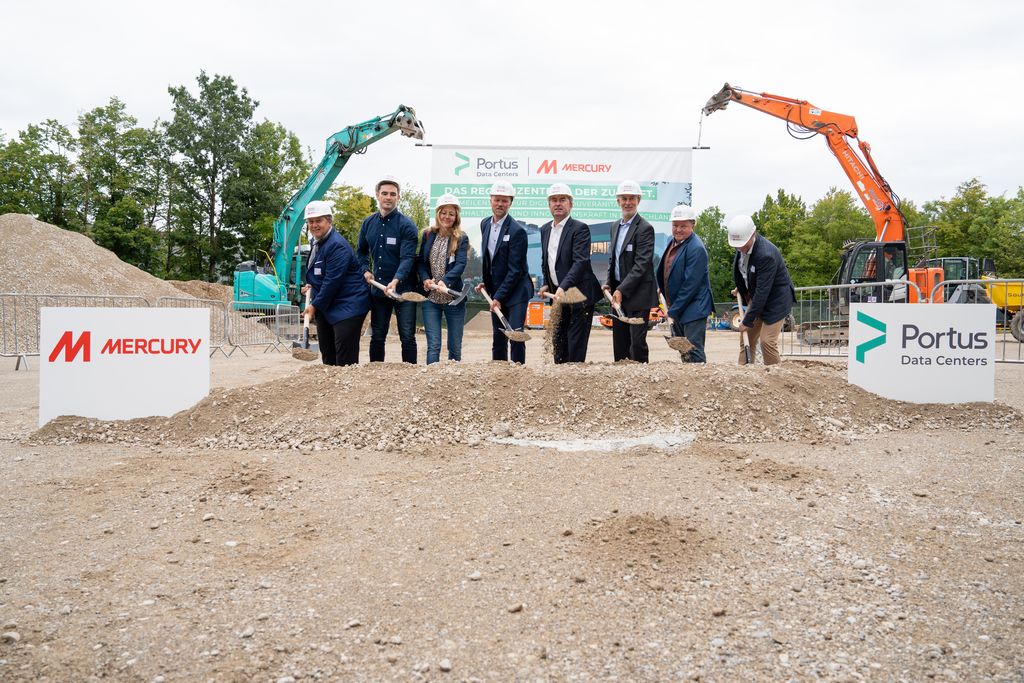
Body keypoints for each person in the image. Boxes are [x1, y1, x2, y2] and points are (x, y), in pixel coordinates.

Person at [356, 176, 420, 363]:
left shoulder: (407, 225)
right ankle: (376, 371)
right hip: (379, 290)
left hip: (404, 291)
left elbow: (407, 258)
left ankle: (410, 373)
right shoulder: (368, 224)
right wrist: (365, 269)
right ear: (377, 195)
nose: (388, 197)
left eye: (393, 194)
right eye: (384, 193)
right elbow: (361, 252)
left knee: (407, 336)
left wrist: (396, 280)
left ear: (398, 197)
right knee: (377, 336)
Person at [301, 200, 371, 366]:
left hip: (348, 305)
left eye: (319, 221)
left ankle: (347, 382)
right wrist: (312, 285)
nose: (314, 225)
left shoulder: (337, 245)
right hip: (328, 305)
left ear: (329, 221)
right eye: (311, 221)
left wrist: (313, 306)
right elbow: (322, 272)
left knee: (345, 361)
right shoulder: (317, 242)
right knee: (328, 357)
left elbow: (332, 281)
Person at [539, 183, 601, 364]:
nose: (558, 203)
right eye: (554, 200)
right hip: (559, 294)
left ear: (570, 204)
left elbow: (580, 262)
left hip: (578, 294)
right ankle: (560, 375)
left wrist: (563, 286)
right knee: (558, 340)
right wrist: (546, 283)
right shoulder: (545, 229)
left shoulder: (580, 229)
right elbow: (547, 260)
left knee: (575, 344)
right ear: (549, 204)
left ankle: (574, 375)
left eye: (562, 200)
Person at [478, 181, 534, 363]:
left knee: (515, 335)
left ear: (510, 203)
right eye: (497, 200)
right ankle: (499, 372)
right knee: (499, 337)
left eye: (504, 200)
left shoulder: (517, 231)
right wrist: (487, 282)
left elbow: (515, 270)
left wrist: (499, 297)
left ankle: (518, 373)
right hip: (497, 291)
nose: (500, 204)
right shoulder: (485, 224)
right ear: (491, 201)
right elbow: (490, 259)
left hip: (517, 292)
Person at [729, 214, 796, 365]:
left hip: (776, 302)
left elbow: (762, 292)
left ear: (753, 234)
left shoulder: (766, 255)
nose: (739, 248)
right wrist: (742, 287)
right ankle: (744, 374)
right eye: (736, 245)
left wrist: (747, 320)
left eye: (742, 244)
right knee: (746, 338)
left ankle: (774, 376)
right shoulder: (740, 246)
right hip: (758, 297)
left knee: (767, 342)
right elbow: (745, 271)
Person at [604, 180, 658, 362]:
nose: (628, 202)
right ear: (618, 201)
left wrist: (621, 289)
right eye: (624, 198)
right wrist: (609, 283)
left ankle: (641, 375)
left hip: (638, 296)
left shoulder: (645, 229)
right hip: (619, 295)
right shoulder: (615, 227)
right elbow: (613, 259)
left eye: (632, 198)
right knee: (620, 342)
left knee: (636, 343)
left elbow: (641, 264)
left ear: (638, 200)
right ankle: (621, 374)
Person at [655, 204, 714, 363]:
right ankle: (687, 376)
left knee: (693, 350)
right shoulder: (672, 241)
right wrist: (663, 287)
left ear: (693, 225)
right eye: (675, 225)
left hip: (694, 308)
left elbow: (690, 286)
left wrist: (673, 311)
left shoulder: (696, 248)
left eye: (683, 226)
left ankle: (700, 378)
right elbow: (669, 269)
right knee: (683, 350)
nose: (678, 230)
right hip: (679, 306)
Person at [418, 193, 469, 364]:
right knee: (433, 346)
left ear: (456, 216)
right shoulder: (428, 235)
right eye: (444, 212)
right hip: (431, 299)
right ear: (438, 214)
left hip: (453, 298)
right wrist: (425, 279)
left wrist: (444, 282)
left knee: (454, 347)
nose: (447, 217)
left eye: (451, 214)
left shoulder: (461, 238)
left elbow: (460, 264)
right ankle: (432, 377)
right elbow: (421, 262)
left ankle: (453, 378)